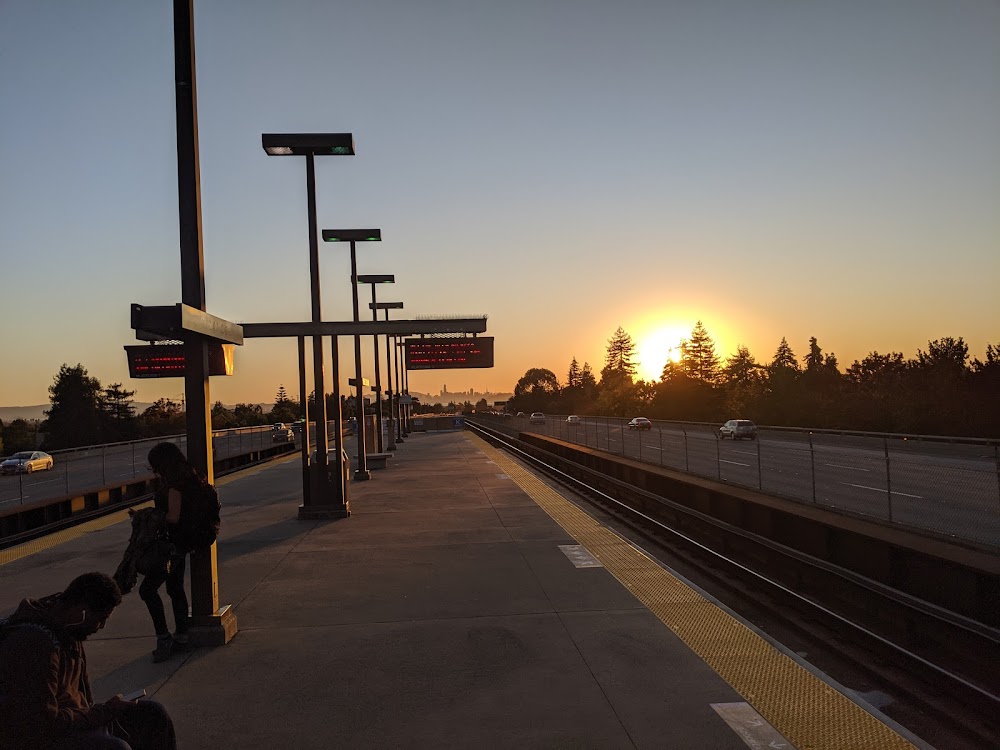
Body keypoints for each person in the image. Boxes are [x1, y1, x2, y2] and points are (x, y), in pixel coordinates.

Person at [0, 572, 176, 750]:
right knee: (115, 748)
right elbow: (44, 724)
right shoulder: (35, 645)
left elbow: (84, 700)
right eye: (101, 619)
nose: (101, 627)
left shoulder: (68, 627)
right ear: (82, 611)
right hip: (40, 738)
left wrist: (102, 713)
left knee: (154, 714)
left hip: (73, 721)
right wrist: (105, 711)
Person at [140, 441, 207, 663]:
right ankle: (182, 635)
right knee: (175, 588)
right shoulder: (188, 477)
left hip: (172, 546)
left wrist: (148, 515)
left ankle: (164, 638)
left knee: (147, 590)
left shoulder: (174, 486)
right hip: (183, 543)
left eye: (155, 466)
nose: (155, 471)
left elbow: (173, 517)